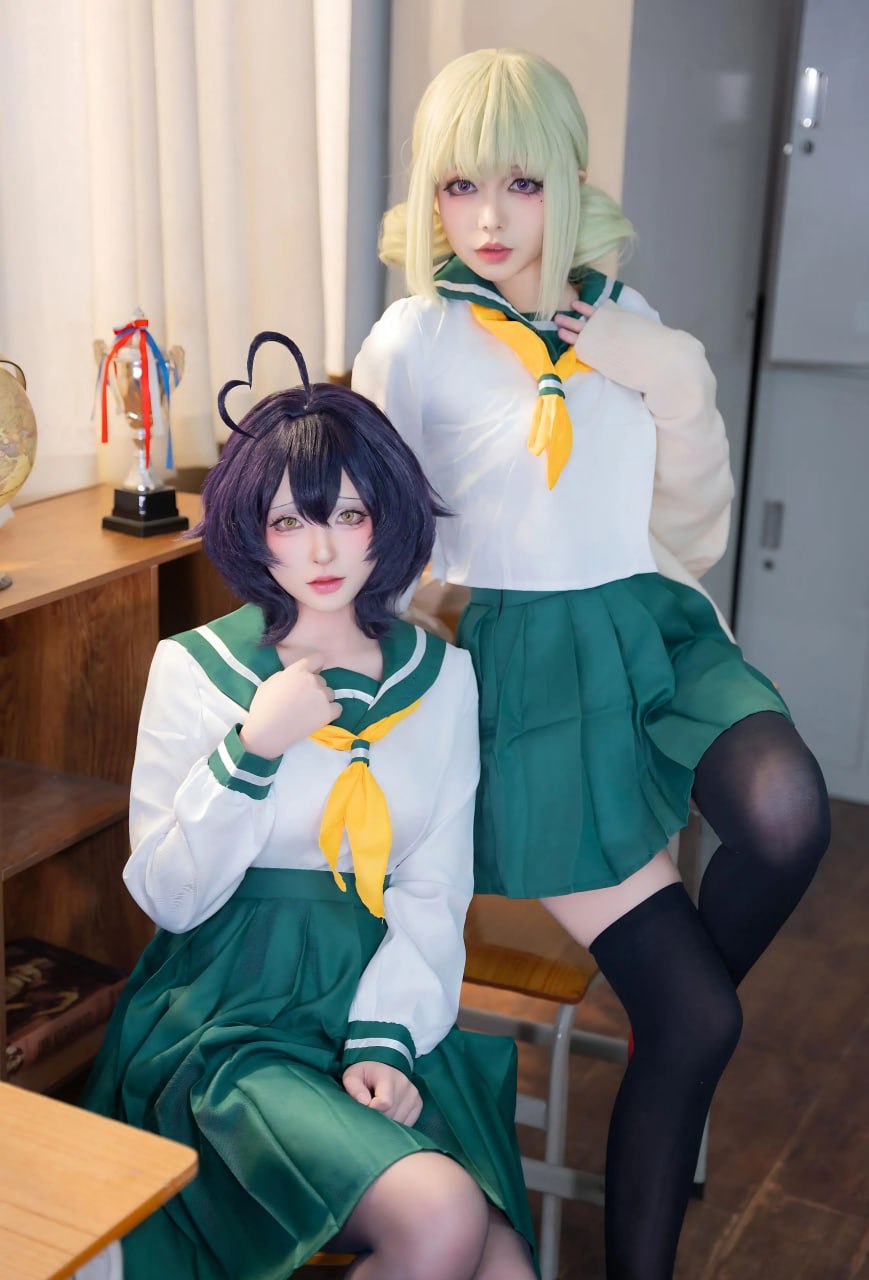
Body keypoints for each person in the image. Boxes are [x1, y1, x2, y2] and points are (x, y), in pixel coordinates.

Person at [352, 48, 831, 1280]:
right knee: (696, 1016)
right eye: (460, 185)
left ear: (567, 180)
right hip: (530, 669)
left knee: (787, 814)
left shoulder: (628, 314)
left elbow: (691, 524)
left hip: (652, 624)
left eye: (520, 182)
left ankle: (679, 1026)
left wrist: (664, 370)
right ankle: (682, 1033)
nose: (490, 218)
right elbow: (378, 550)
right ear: (432, 193)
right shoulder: (413, 337)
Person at [80, 332, 538, 1280]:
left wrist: (387, 1042)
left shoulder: (442, 679)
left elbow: (433, 883)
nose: (321, 551)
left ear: (387, 519)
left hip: (381, 997)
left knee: (501, 1267)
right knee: (444, 1217)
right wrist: (251, 751)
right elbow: (167, 898)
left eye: (349, 514)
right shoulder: (194, 671)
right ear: (251, 529)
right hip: (226, 1017)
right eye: (288, 521)